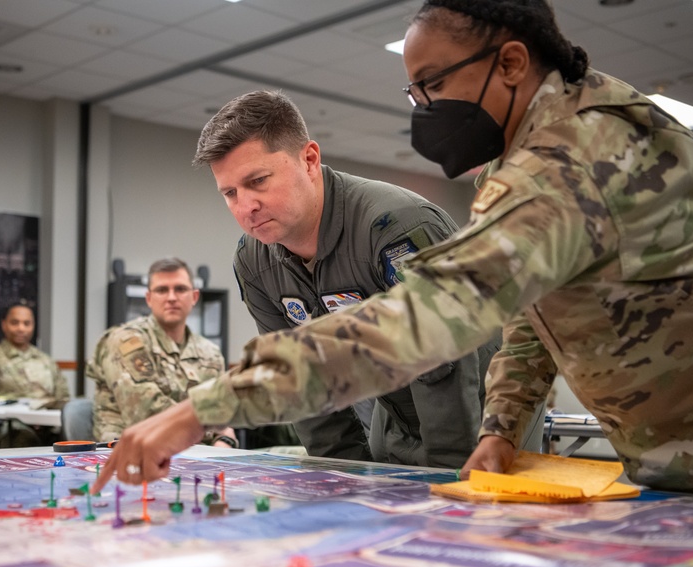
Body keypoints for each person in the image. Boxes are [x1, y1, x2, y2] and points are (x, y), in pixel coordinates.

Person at [94, 0, 693, 497]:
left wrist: (202, 408)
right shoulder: (528, 158)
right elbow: (537, 311)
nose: (422, 107)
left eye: (434, 85)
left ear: (510, 62)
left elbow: (421, 321)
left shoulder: (573, 157)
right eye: (413, 90)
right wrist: (503, 424)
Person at [193, 89, 509, 468]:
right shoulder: (253, 261)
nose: (245, 207)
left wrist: (445, 477)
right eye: (230, 192)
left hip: (487, 415)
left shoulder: (396, 227)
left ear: (309, 160)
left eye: (258, 180)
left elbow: (445, 365)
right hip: (393, 414)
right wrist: (339, 475)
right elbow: (298, 380)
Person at [87, 258, 236, 448]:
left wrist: (223, 442)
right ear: (149, 298)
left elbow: (222, 414)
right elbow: (146, 411)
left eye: (180, 289)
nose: (171, 297)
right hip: (133, 454)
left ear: (194, 297)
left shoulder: (211, 353)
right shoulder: (125, 341)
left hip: (195, 454)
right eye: (162, 290)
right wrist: (212, 431)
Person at [0, 303, 70, 446]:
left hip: (49, 425)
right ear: (4, 325)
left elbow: (63, 397)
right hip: (10, 428)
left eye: (27, 323)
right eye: (15, 323)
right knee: (21, 438)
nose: (21, 328)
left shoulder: (46, 361)